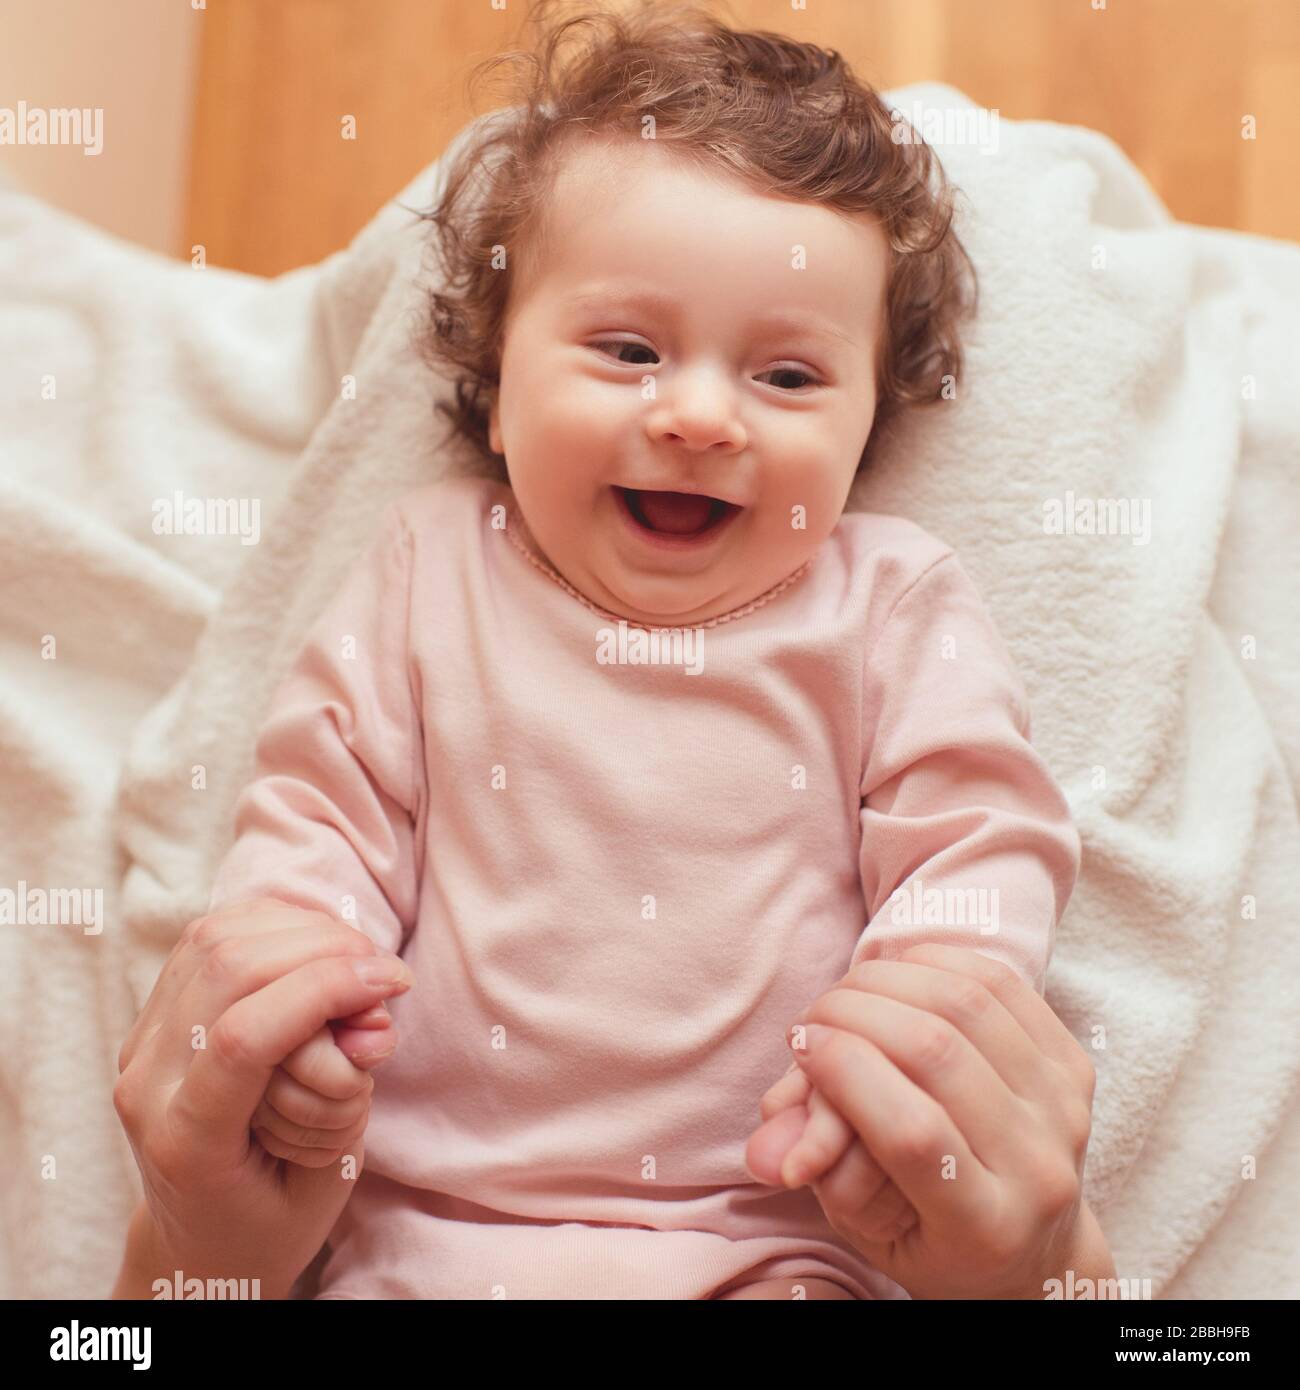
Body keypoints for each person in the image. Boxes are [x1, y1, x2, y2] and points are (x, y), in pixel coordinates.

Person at [113, 0, 1112, 1300]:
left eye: (791, 379)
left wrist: (933, 1005)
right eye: (627, 351)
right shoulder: (430, 575)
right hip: (425, 1229)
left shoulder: (888, 602)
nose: (699, 414)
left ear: (870, 426)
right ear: (496, 373)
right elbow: (315, 821)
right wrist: (295, 1015)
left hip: (780, 1224)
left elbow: (983, 836)